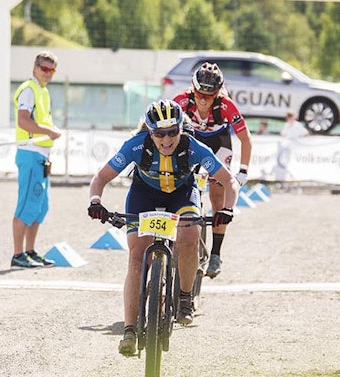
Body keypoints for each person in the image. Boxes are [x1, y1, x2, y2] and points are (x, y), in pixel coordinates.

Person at [87, 100, 239, 356]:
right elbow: (101, 177)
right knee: (136, 258)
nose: (166, 139)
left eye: (172, 132)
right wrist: (95, 201)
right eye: (159, 133)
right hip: (143, 194)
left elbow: (228, 180)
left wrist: (227, 209)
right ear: (150, 131)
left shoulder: (194, 148)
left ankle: (184, 298)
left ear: (181, 128)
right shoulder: (136, 145)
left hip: (181, 194)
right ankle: (130, 330)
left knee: (190, 236)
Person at [173, 62, 251, 279]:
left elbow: (245, 139)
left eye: (210, 95)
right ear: (193, 89)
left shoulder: (226, 105)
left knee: (219, 196)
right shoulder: (181, 101)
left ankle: (216, 254)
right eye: (199, 94)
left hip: (219, 143)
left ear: (218, 93)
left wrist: (242, 171)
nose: (204, 100)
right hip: (193, 140)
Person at [11, 51, 63, 268]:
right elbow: (23, 121)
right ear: (35, 67)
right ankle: (18, 254)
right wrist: (48, 131)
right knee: (26, 204)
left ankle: (30, 251)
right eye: (45, 68)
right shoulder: (29, 90)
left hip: (41, 156)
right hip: (30, 153)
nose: (48, 73)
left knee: (40, 206)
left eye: (52, 70)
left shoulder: (42, 91)